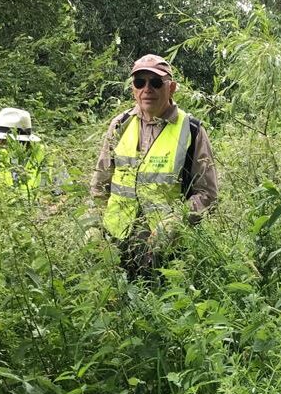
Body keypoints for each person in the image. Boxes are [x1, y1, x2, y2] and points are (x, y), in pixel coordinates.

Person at [91, 54, 218, 276]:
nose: (147, 89)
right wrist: (95, 227)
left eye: (156, 82)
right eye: (140, 82)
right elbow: (100, 184)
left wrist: (176, 222)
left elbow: (207, 193)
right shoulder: (120, 124)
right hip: (116, 242)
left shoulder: (192, 130)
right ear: (133, 89)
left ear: (172, 88)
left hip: (168, 252)